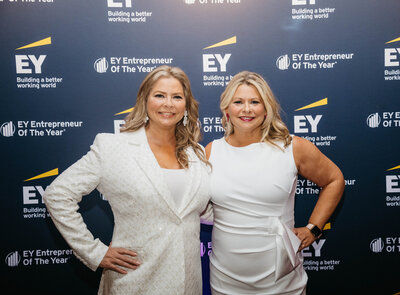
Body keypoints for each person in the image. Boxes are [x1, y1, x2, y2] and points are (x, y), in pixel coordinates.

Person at [43, 65, 211, 295]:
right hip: (134, 281)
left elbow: (205, 211)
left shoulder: (197, 154)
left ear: (186, 105)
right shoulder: (113, 148)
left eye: (177, 97)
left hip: (187, 283)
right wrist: (95, 252)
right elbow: (57, 195)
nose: (168, 104)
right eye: (159, 95)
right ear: (144, 100)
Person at [205, 71, 344, 294]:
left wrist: (313, 229)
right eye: (238, 102)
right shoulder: (211, 151)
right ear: (226, 109)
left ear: (266, 108)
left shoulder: (292, 147)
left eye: (255, 102)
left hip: (281, 278)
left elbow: (334, 180)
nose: (247, 109)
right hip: (225, 278)